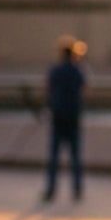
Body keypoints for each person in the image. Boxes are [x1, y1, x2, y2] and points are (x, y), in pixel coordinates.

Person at [42, 37, 85, 202]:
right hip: (73, 118)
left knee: (53, 157)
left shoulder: (55, 69)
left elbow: (48, 89)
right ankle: (77, 189)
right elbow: (84, 87)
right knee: (75, 157)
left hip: (58, 117)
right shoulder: (77, 70)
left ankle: (51, 190)